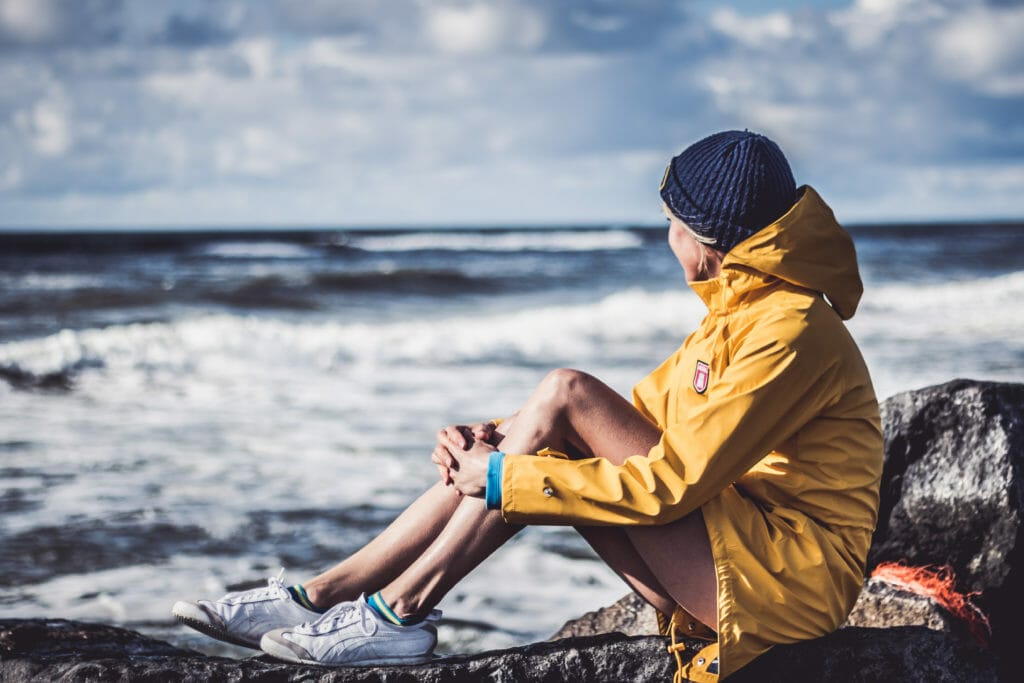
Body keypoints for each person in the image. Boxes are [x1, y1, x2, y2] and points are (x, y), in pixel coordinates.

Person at [172, 130, 883, 681]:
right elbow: (636, 417)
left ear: (708, 241)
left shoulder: (788, 330)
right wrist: (496, 435)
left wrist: (497, 475)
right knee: (553, 412)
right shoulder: (740, 314)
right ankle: (323, 595)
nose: (664, 234)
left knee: (564, 392)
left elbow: (671, 482)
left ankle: (399, 610)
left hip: (783, 587)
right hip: (733, 552)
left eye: (671, 221)